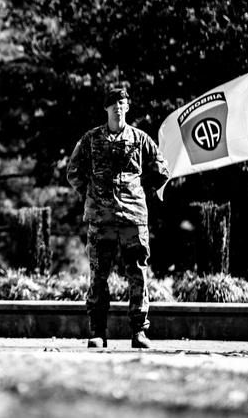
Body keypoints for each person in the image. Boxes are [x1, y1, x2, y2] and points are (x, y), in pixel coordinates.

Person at [66, 86, 169, 349]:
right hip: (101, 220)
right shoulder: (90, 139)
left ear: (127, 107)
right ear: (106, 109)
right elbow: (74, 171)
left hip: (133, 218)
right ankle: (98, 331)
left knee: (137, 273)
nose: (118, 109)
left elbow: (161, 170)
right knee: (99, 275)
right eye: (114, 105)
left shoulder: (140, 139)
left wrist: (140, 191)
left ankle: (139, 332)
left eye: (122, 104)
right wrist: (90, 194)